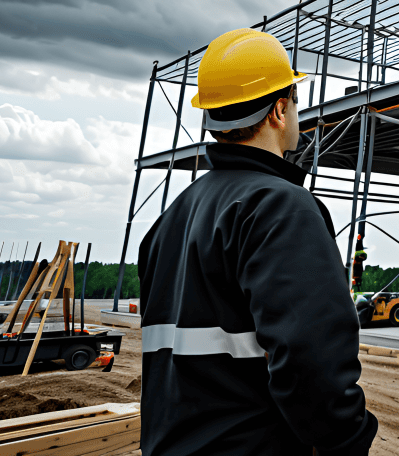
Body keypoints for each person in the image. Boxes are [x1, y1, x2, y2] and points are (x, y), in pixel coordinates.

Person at [138, 28, 378, 456]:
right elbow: (314, 367)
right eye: (295, 103)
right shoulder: (281, 208)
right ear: (280, 110)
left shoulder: (171, 218)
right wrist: (349, 441)